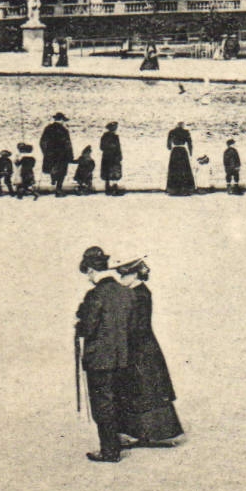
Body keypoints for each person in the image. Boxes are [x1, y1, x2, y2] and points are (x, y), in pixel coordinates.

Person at [74, 247, 134, 463]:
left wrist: (79, 323)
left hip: (99, 359)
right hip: (122, 358)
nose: (89, 278)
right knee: (117, 400)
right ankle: (116, 443)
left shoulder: (96, 295)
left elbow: (88, 328)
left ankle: (109, 451)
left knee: (103, 405)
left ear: (91, 270)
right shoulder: (126, 293)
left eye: (88, 273)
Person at [115, 259, 183, 446]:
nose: (121, 279)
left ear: (135, 274)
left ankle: (159, 433)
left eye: (124, 274)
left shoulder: (141, 294)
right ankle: (140, 433)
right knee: (138, 390)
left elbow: (138, 326)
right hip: (137, 347)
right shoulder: (133, 293)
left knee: (147, 390)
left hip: (142, 349)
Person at [41, 113, 75, 196]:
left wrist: (45, 152)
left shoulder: (48, 128)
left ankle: (53, 178)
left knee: (52, 169)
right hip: (61, 155)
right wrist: (70, 156)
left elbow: (42, 142)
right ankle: (58, 189)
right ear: (62, 120)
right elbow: (67, 144)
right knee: (61, 172)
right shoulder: (63, 130)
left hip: (50, 154)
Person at [165, 122, 196, 196]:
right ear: (183, 125)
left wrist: (170, 147)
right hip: (183, 152)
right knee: (185, 169)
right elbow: (189, 143)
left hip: (175, 152)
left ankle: (173, 189)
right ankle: (186, 189)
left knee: (174, 170)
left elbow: (168, 145)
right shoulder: (186, 132)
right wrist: (190, 152)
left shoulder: (172, 132)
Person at [100, 122, 124, 195]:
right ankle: (108, 187)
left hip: (114, 157)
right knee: (107, 171)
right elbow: (102, 147)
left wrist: (119, 155)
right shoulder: (105, 136)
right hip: (108, 157)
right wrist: (111, 147)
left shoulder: (116, 137)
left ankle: (113, 186)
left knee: (114, 171)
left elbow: (118, 147)